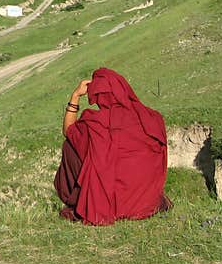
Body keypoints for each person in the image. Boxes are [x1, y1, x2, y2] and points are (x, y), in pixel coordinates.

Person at [54, 67, 172, 225]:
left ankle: (79, 197)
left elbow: (68, 130)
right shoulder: (152, 118)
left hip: (109, 203)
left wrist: (75, 96)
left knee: (70, 144)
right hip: (145, 202)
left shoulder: (94, 123)